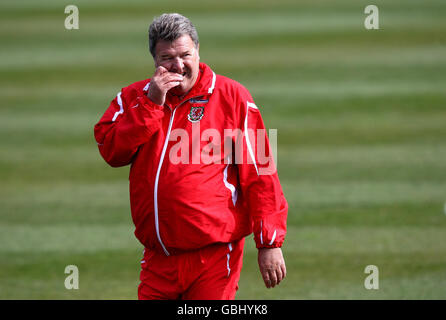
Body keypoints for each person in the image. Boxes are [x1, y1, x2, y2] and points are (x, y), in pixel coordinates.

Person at [94, 13, 288, 300]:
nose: (179, 65)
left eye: (186, 54)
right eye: (167, 58)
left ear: (198, 51)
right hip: (159, 258)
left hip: (213, 257)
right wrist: (152, 104)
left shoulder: (233, 96)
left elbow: (261, 172)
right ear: (154, 60)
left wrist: (269, 242)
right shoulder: (133, 98)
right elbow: (112, 151)